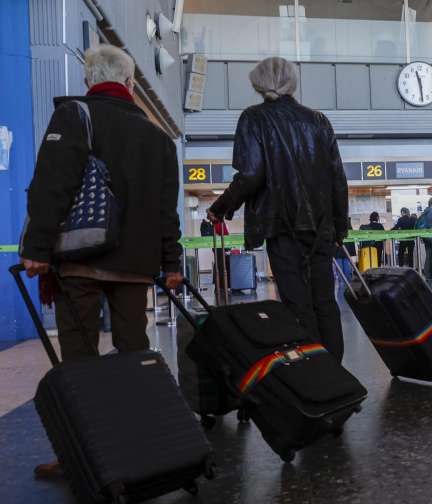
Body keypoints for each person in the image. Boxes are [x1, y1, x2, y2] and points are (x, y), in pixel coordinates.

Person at [19, 44, 183, 478]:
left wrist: (36, 248)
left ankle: (86, 452)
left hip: (81, 261)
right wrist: (172, 262)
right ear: (130, 84)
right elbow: (168, 209)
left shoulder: (76, 115)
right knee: (135, 350)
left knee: (81, 357)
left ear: (90, 79)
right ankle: (147, 443)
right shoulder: (159, 138)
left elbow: (51, 185)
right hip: (135, 266)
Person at [206, 56, 348, 363]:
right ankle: (336, 373)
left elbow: (251, 174)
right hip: (321, 227)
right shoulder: (319, 120)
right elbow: (337, 178)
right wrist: (340, 228)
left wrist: (221, 207)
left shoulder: (254, 118)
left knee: (296, 303)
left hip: (281, 225)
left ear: (258, 84)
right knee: (324, 301)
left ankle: (312, 372)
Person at [334, 219, 355, 285]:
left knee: (342, 276)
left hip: (340, 252)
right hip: (344, 252)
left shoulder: (345, 221)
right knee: (345, 275)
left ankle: (344, 291)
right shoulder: (347, 221)